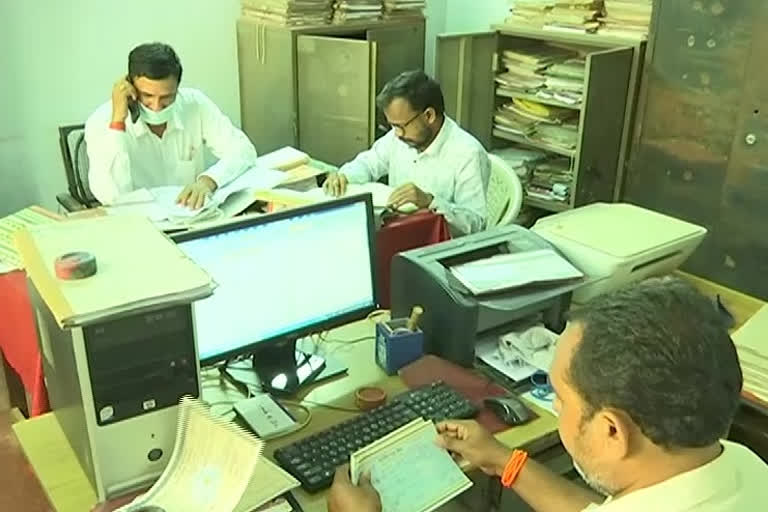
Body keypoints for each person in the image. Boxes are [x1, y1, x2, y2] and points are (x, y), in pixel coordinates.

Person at [327, 277, 768, 511]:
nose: (553, 407)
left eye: (559, 397)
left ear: (613, 430)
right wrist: (504, 460)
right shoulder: (741, 466)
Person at [85, 42, 257, 208]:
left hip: (190, 216)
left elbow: (244, 150)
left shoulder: (194, 105)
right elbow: (110, 196)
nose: (156, 106)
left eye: (166, 97)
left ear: (177, 89)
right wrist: (118, 122)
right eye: (147, 96)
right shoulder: (102, 120)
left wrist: (208, 181)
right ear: (131, 88)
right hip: (138, 224)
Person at [323, 70, 490, 235]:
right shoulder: (401, 137)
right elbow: (368, 163)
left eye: (401, 126)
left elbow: (476, 225)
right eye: (393, 126)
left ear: (429, 116)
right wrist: (344, 176)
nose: (397, 134)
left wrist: (430, 202)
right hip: (398, 231)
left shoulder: (468, 154)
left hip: (438, 248)